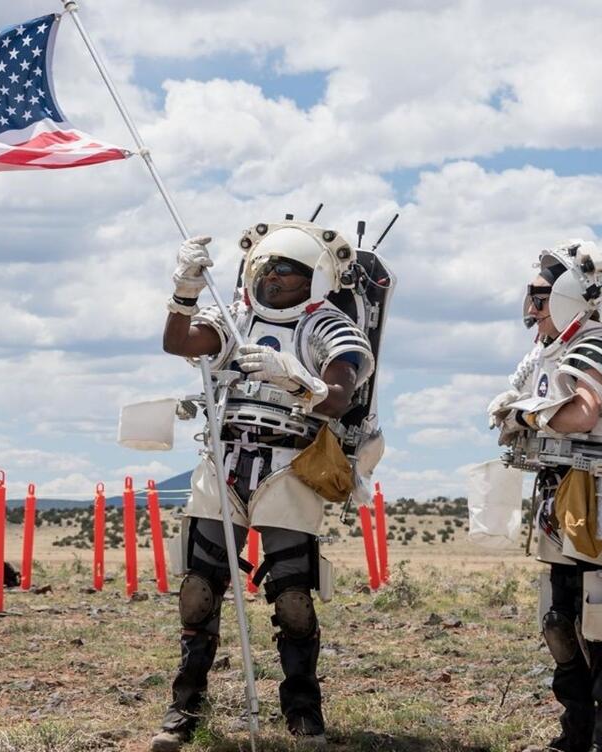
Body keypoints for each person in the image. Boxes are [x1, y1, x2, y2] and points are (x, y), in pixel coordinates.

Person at [151, 221, 377, 751]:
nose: (272, 278)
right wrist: (184, 290)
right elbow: (178, 341)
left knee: (294, 598)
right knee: (198, 592)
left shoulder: (330, 325)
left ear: (314, 279)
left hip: (292, 464)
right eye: (267, 268)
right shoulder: (236, 315)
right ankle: (184, 709)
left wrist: (292, 376)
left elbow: (339, 397)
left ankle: (302, 712)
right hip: (224, 459)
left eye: (287, 271)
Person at [489, 243, 602, 752]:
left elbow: (582, 414)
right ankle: (577, 729)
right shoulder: (549, 350)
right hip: (562, 493)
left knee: (599, 618)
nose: (532, 308)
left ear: (567, 296)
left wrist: (526, 414)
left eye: (540, 295)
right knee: (561, 618)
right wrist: (516, 408)